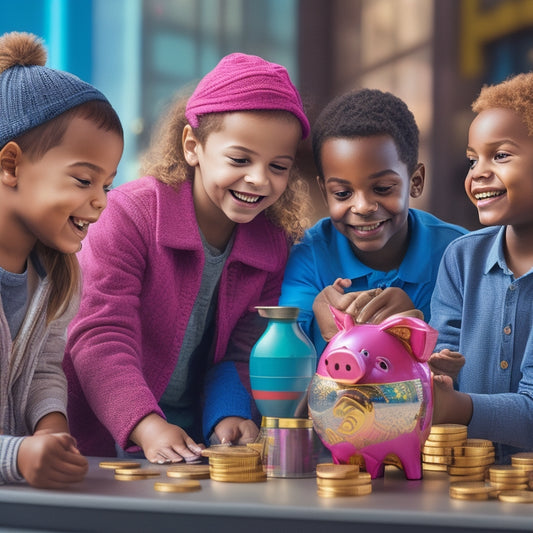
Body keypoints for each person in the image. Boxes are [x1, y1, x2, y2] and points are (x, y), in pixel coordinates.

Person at [63, 53, 311, 463]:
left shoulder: (271, 244)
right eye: (240, 159)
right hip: (98, 443)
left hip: (192, 445)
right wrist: (145, 424)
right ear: (192, 147)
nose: (259, 179)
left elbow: (244, 351)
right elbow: (100, 336)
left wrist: (228, 413)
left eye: (278, 166)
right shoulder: (129, 214)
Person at [0, 32, 124, 488]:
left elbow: (45, 368)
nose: (100, 202)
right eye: (83, 180)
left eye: (107, 185)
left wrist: (51, 427)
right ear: (11, 166)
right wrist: (18, 456)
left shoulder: (55, 277)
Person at [279, 88, 467, 355]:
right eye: (343, 194)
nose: (363, 207)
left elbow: (483, 361)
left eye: (382, 188)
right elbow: (282, 356)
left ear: (415, 182)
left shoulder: (461, 255)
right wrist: (310, 326)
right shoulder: (309, 257)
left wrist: (416, 329)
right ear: (324, 192)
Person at [430, 72, 533, 463]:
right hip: (466, 479)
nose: (478, 173)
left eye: (500, 155)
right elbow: (443, 359)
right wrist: (428, 366)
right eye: (473, 159)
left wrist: (454, 407)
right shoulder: (461, 259)